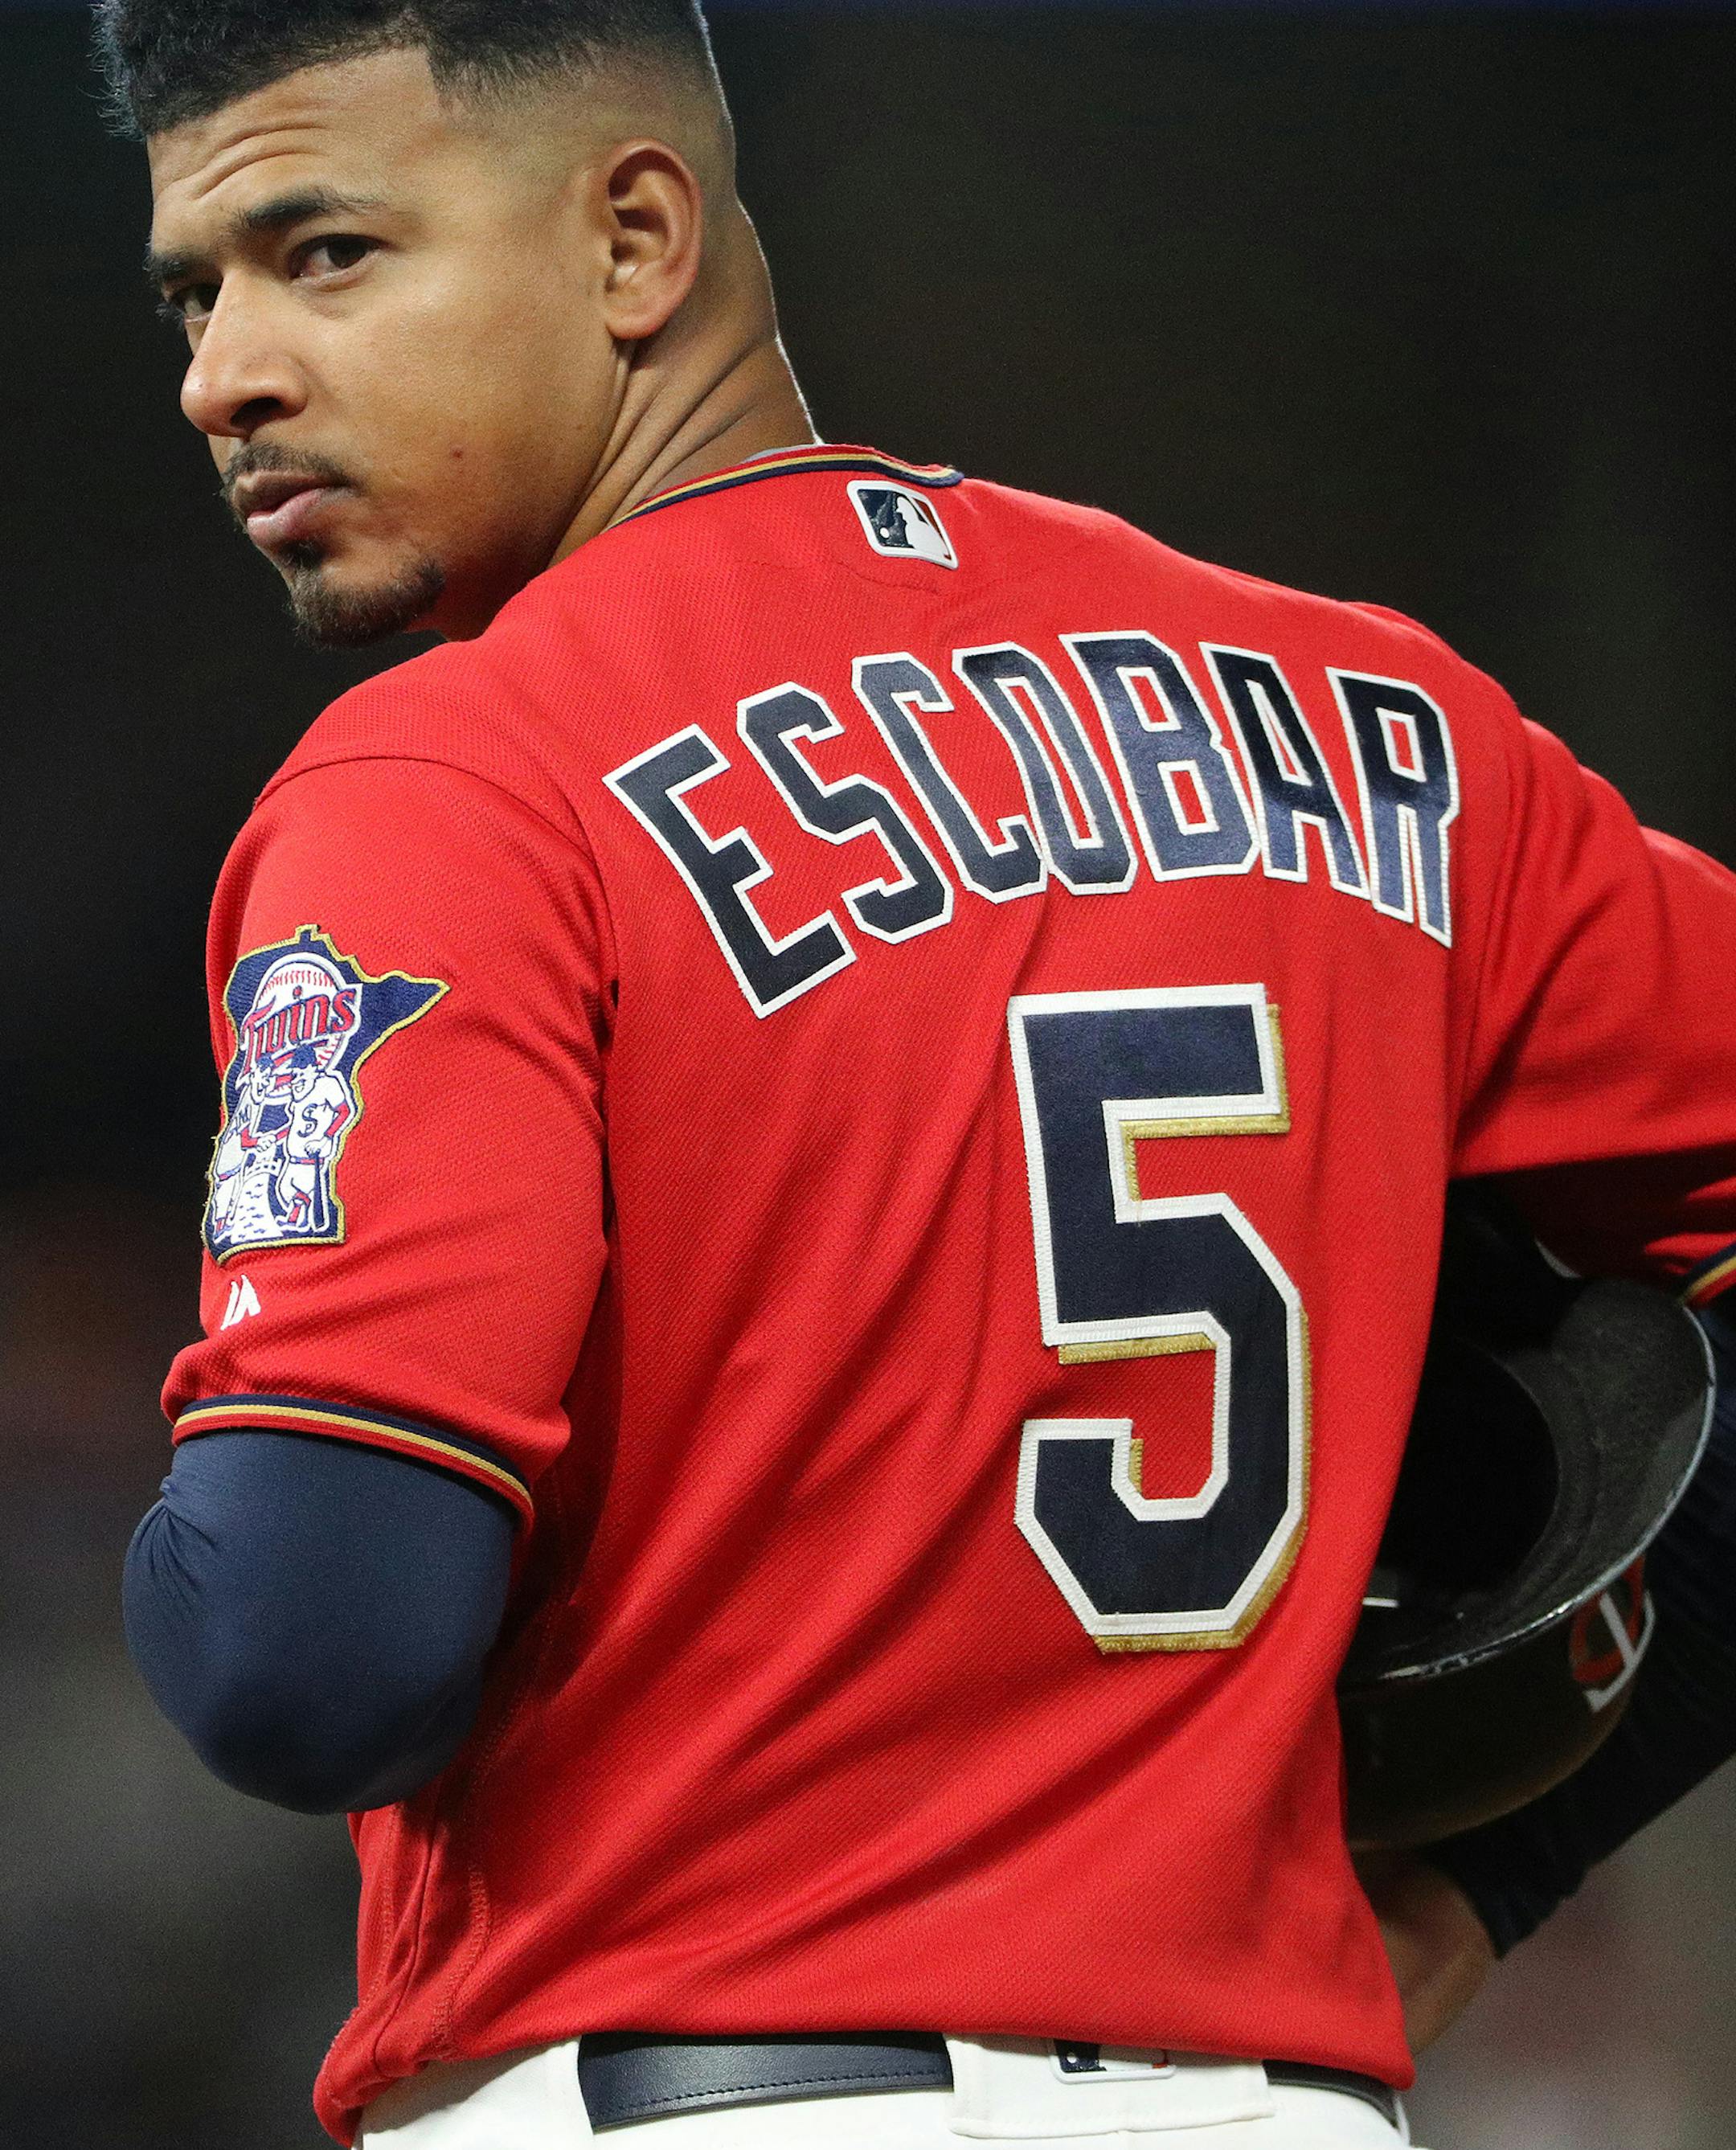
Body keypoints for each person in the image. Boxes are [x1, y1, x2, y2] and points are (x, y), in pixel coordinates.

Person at [103, 4, 1736, 2147]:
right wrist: (1505, 1861)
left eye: (324, 252)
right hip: (1283, 2099)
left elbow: (312, 1645)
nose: (228, 372)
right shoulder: (1379, 725)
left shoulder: (458, 778)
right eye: (193, 292)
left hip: (706, 2088)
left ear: (636, 237)